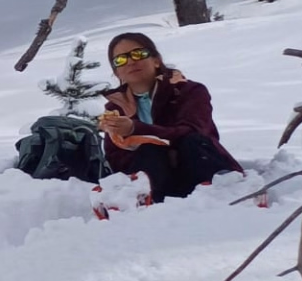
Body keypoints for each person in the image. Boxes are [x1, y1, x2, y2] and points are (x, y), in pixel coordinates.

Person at [97, 32, 240, 202]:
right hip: (156, 180)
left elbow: (194, 131)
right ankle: (144, 204)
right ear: (117, 73)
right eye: (120, 60)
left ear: (156, 60)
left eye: (139, 53)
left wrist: (135, 129)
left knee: (191, 142)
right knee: (149, 150)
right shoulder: (115, 108)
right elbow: (115, 158)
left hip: (195, 166)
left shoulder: (188, 91)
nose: (131, 61)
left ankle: (223, 194)